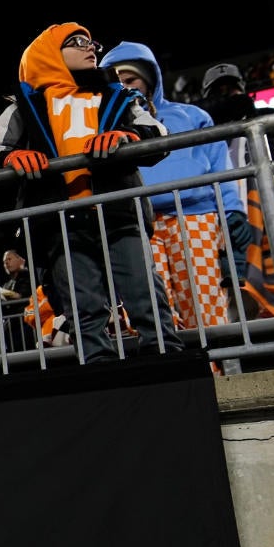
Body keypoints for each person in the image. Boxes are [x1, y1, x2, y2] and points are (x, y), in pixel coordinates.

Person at [0, 23, 182, 364]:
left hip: (118, 214)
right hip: (60, 225)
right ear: (46, 54)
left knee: (145, 297)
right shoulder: (24, 106)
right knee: (84, 310)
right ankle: (104, 383)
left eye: (92, 43)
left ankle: (169, 370)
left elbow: (159, 135)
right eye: (77, 42)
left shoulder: (116, 94)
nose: (91, 48)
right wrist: (11, 159)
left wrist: (127, 138)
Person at [101, 42, 243, 331]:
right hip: (139, 224)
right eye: (118, 82)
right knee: (151, 313)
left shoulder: (192, 116)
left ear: (149, 80)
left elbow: (220, 169)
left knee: (205, 308)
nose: (126, 87)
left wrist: (232, 210)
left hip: (194, 219)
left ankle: (219, 372)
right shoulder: (103, 127)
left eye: (131, 80)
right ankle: (173, 377)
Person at [199, 62, 274, 319]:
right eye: (221, 91)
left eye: (233, 88)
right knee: (236, 297)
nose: (231, 95)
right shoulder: (202, 131)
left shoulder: (270, 116)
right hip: (225, 216)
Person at [0, 249, 37, 351]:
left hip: (27, 325)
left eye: (9, 259)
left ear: (21, 260)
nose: (6, 263)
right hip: (11, 328)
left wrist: (4, 293)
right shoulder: (6, 284)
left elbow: (24, 296)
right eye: (4, 261)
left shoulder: (30, 276)